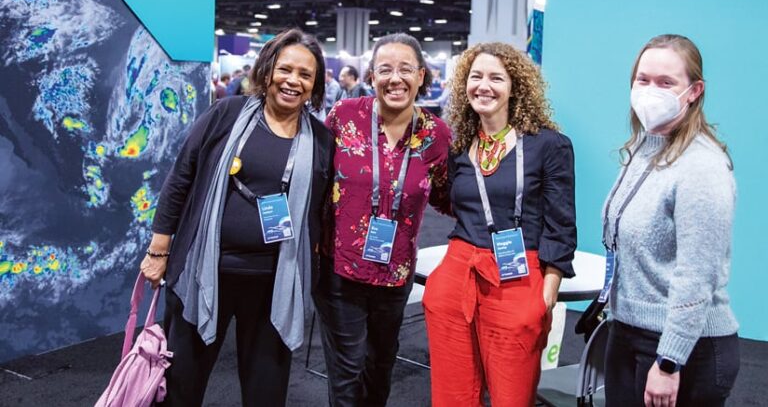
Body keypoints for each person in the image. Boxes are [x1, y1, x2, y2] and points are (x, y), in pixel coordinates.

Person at [139, 28, 334, 406]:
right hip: (204, 274)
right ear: (267, 70)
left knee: (266, 392)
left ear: (315, 84)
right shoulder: (226, 114)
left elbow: (321, 208)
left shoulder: (322, 140)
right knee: (181, 385)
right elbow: (180, 178)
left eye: (305, 75)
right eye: (285, 69)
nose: (293, 81)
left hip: (274, 284)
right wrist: (159, 251)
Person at [422, 42, 576, 406]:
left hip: (520, 278)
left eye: (496, 78)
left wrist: (546, 295)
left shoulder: (549, 145)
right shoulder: (460, 146)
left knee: (512, 396)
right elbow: (451, 203)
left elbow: (561, 224)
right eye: (476, 77)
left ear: (515, 87)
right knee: (453, 395)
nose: (483, 86)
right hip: (455, 276)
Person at [314, 33, 452, 407]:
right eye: (385, 69)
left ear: (422, 76)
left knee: (380, 366)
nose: (396, 78)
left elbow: (448, 196)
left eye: (406, 69)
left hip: (395, 273)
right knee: (347, 370)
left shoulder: (436, 135)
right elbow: (316, 180)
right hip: (339, 269)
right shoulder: (344, 117)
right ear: (372, 76)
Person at [602, 34, 739, 407]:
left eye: (666, 83)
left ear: (694, 91)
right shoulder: (643, 147)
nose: (650, 91)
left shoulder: (701, 166)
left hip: (681, 346)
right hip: (629, 330)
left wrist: (669, 361)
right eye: (643, 80)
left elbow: (698, 274)